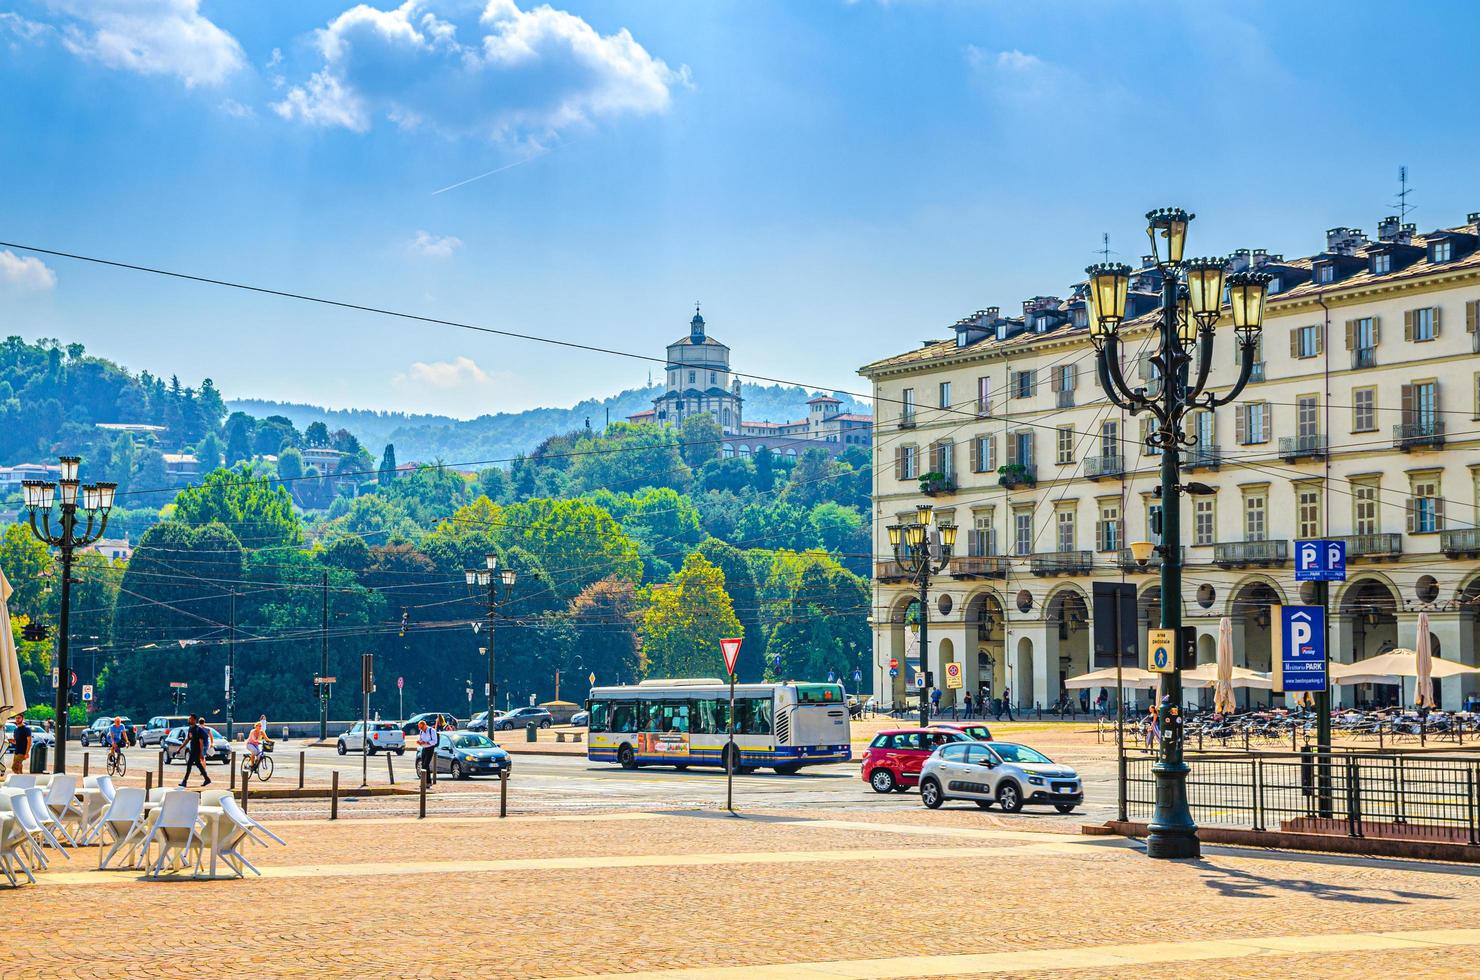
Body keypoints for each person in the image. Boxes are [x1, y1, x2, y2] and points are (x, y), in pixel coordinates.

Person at [178, 714, 212, 788]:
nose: (188, 720)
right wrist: (180, 748)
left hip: (196, 750)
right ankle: (207, 779)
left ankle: (184, 781)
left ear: (194, 720)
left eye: (190, 719)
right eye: (189, 719)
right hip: (192, 749)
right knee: (198, 764)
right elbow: (188, 739)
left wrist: (201, 753)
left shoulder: (198, 729)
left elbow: (201, 742)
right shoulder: (190, 728)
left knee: (189, 764)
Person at [416, 720, 438, 786]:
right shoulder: (421, 732)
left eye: (422, 727)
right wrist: (419, 742)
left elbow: (435, 741)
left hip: (430, 748)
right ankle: (427, 782)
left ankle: (426, 782)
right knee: (424, 764)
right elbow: (421, 739)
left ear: (425, 725)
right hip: (424, 748)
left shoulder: (432, 731)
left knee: (426, 764)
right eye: (420, 728)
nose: (421, 729)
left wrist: (426, 742)